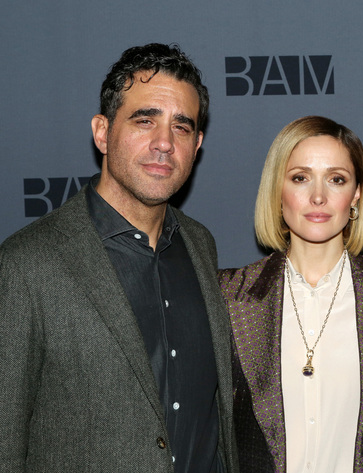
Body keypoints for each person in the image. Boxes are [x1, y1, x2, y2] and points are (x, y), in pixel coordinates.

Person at [0, 43, 238, 473]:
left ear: (198, 143)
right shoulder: (26, 263)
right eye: (145, 120)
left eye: (181, 128)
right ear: (102, 131)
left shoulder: (200, 244)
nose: (164, 143)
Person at [219, 115, 363, 472]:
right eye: (300, 178)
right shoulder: (228, 298)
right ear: (277, 190)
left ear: (356, 193)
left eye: (336, 179)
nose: (318, 196)